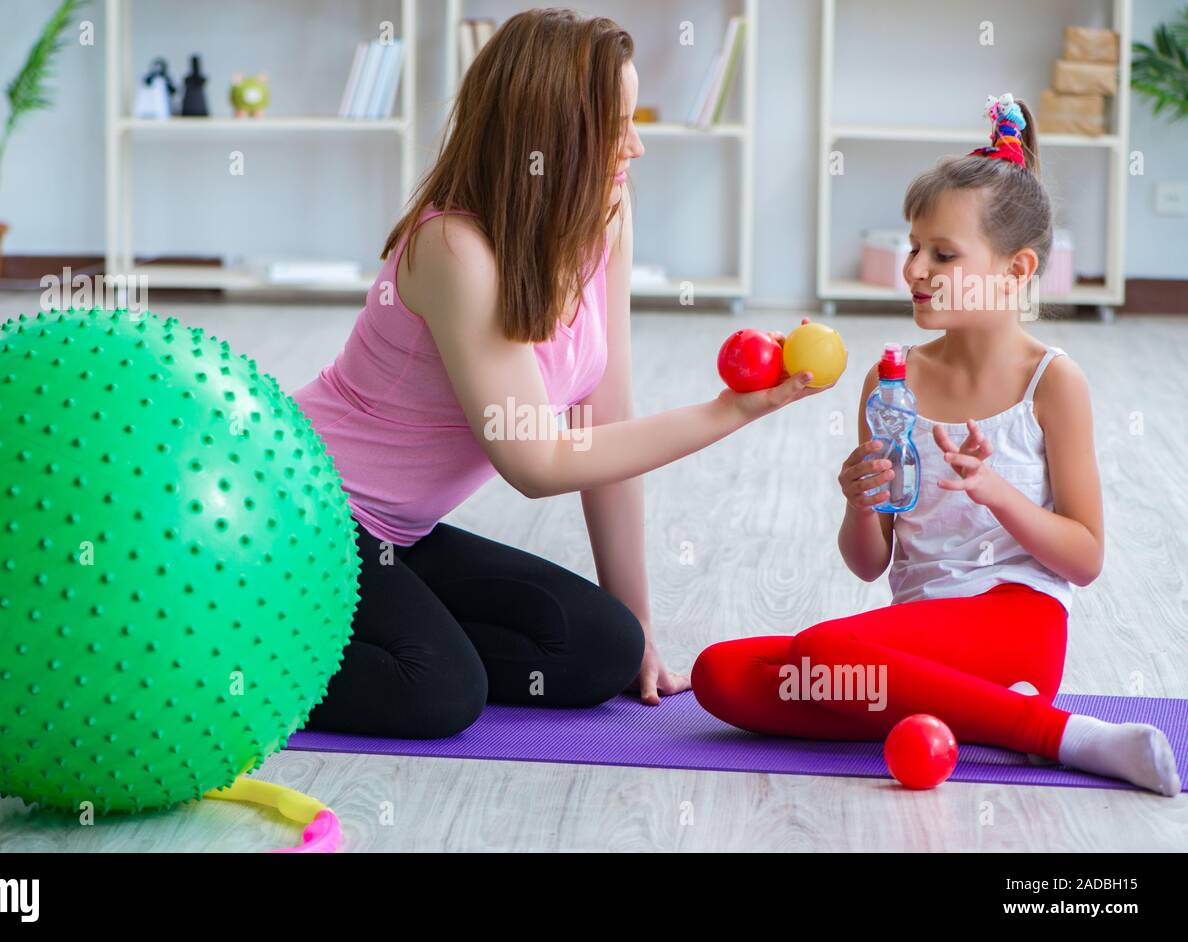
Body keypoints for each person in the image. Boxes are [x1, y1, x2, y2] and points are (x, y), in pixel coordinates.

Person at [294, 9, 832, 739]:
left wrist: (639, 621)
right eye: (615, 124)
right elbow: (538, 463)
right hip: (307, 515)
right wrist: (729, 413)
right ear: (549, 135)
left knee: (601, 649)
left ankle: (386, 622)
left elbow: (602, 422)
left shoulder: (602, 213)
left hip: (401, 534)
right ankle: (227, 647)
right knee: (439, 692)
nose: (637, 146)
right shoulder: (455, 249)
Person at [692, 94, 1180, 797]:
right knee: (720, 673)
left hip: (1017, 625)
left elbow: (1086, 556)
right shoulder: (893, 382)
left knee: (825, 655)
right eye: (913, 247)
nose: (914, 269)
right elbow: (870, 564)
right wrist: (859, 505)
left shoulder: (1052, 383)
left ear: (1017, 270)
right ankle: (979, 713)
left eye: (943, 254)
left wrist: (997, 494)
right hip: (918, 635)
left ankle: (1064, 736)